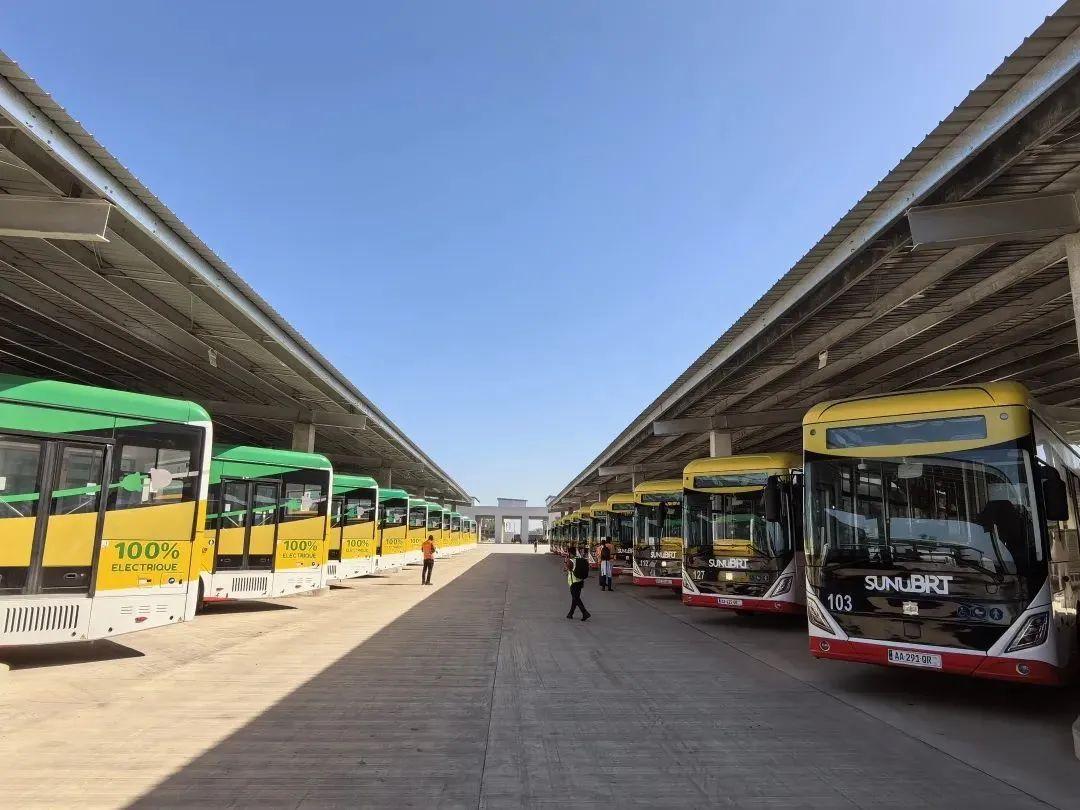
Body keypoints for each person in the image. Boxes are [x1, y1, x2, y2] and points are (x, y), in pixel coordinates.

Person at [565, 550, 591, 621]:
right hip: (580, 581)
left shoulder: (570, 561)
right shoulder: (579, 560)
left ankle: (585, 612)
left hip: (573, 582)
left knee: (576, 598)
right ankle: (570, 613)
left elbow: (567, 569)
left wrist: (566, 562)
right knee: (575, 598)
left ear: (570, 554)